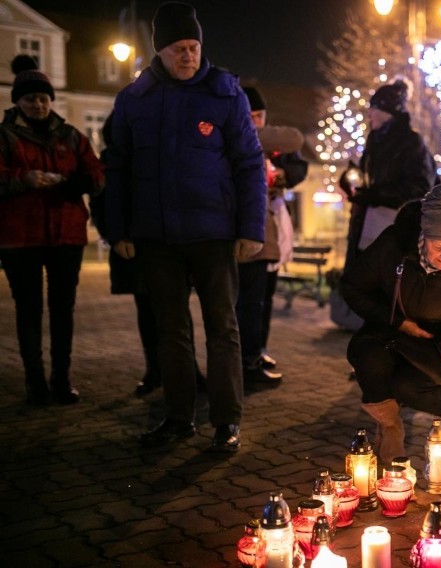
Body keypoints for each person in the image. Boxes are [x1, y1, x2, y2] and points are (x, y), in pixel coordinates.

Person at [105, 2, 267, 452]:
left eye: (194, 47)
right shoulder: (134, 100)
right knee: (170, 330)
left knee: (222, 328)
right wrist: (117, 230)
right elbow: (116, 167)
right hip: (156, 237)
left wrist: (252, 228)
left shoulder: (224, 92)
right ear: (159, 51)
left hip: (214, 234)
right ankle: (177, 418)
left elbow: (249, 163)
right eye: (178, 48)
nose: (188, 56)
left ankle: (226, 422)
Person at [338, 184, 441, 464]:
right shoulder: (394, 245)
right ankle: (390, 426)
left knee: (408, 384)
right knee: (367, 356)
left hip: (438, 348)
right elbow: (353, 286)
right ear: (424, 234)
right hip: (389, 334)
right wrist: (398, 321)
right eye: (439, 247)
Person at [0, 55, 104, 405]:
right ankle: (35, 382)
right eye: (30, 99)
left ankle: (62, 378)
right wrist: (23, 179)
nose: (39, 104)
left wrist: (78, 183)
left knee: (63, 309)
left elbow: (97, 174)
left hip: (66, 235)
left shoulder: (71, 136)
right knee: (28, 309)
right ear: (18, 102)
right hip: (20, 237)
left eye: (43, 98)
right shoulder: (5, 136)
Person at [89, 114, 205, 397]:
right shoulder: (108, 165)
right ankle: (155, 369)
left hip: (166, 245)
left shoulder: (156, 158)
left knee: (177, 310)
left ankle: (188, 370)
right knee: (147, 310)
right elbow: (101, 205)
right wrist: (115, 237)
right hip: (134, 248)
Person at [237, 85, 302, 384]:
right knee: (249, 303)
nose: (254, 121)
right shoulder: (239, 135)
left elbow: (296, 153)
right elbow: (292, 138)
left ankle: (256, 351)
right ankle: (247, 361)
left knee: (261, 299)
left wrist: (283, 178)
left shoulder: (266, 142)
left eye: (259, 115)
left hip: (270, 229)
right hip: (251, 233)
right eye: (249, 115)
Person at [339, 79, 437, 268]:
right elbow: (364, 177)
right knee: (360, 286)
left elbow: (420, 188)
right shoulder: (374, 142)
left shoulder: (411, 143)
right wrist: (349, 181)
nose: (369, 115)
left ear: (387, 113)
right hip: (365, 230)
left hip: (393, 230)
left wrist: (376, 195)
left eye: (374, 109)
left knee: (383, 288)